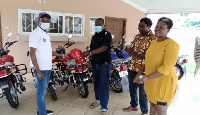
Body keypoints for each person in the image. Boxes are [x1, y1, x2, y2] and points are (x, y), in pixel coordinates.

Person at [134, 17, 179, 115]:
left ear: (168, 30)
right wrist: (139, 74)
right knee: (152, 105)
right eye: (157, 26)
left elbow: (166, 68)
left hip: (164, 83)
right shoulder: (154, 43)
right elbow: (146, 60)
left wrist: (147, 77)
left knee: (161, 110)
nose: (157, 29)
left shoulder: (171, 45)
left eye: (161, 27)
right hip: (151, 81)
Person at [29, 12, 68, 115]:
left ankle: (42, 110)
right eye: (43, 21)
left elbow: (48, 51)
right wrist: (38, 71)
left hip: (47, 67)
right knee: (41, 93)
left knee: (44, 90)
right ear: (39, 21)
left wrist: (62, 56)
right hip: (41, 68)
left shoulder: (46, 34)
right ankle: (41, 113)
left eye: (47, 21)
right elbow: (32, 53)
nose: (45, 22)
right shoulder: (35, 33)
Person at [123, 17, 156, 115]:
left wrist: (135, 54)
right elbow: (131, 49)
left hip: (144, 69)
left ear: (149, 26)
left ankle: (144, 111)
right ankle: (133, 105)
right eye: (139, 26)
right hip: (133, 66)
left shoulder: (153, 39)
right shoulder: (137, 36)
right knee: (132, 88)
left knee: (142, 92)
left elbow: (150, 55)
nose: (139, 28)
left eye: (142, 26)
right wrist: (131, 51)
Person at [82, 18, 112, 115]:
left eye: (99, 24)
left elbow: (103, 48)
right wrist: (87, 53)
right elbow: (91, 48)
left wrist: (89, 53)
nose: (97, 26)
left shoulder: (107, 35)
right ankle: (98, 100)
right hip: (95, 63)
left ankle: (104, 107)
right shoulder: (94, 36)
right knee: (96, 83)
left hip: (104, 64)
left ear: (104, 25)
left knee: (103, 85)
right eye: (96, 24)